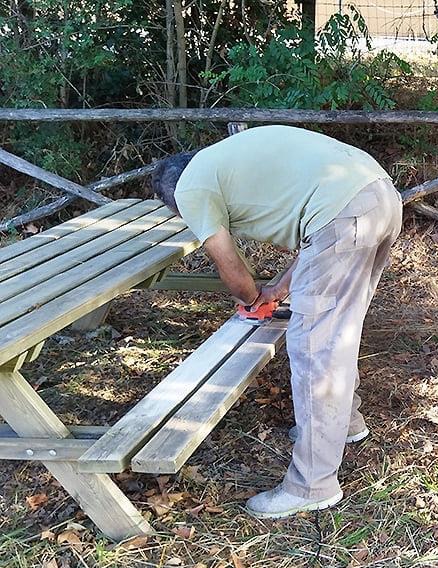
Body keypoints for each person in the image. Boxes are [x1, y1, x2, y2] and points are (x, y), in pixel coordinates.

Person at [152, 125, 402, 518]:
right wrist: (280, 288)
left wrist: (252, 301)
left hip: (345, 212)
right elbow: (317, 231)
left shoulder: (190, 188)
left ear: (174, 198)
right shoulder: (226, 162)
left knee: (314, 348)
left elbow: (229, 267)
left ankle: (312, 485)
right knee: (339, 331)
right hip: (379, 195)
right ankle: (345, 424)